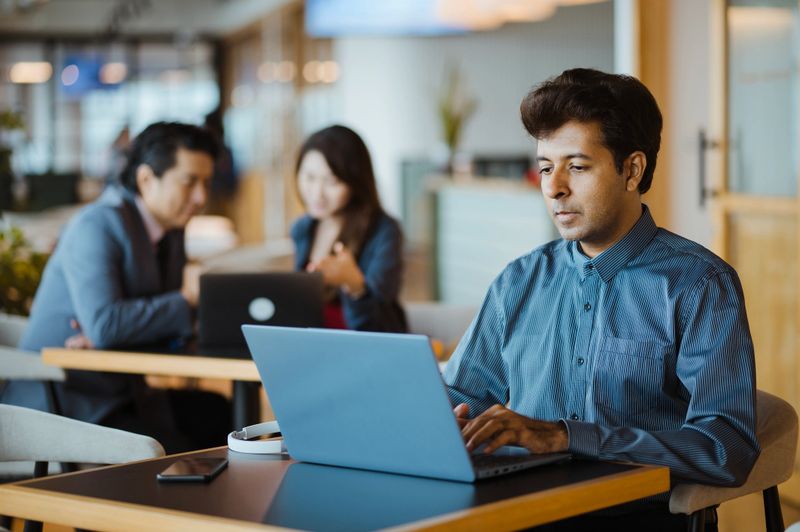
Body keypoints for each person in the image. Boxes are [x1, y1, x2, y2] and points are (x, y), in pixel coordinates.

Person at [443, 69, 759, 531]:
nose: (553, 188)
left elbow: (726, 449)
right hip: (515, 512)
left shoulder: (699, 284)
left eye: (577, 166)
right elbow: (462, 396)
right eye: (547, 167)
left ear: (632, 169)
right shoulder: (519, 280)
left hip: (633, 520)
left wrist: (565, 438)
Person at [0, 122, 231, 454]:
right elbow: (107, 324)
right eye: (189, 181)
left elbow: (121, 326)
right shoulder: (96, 225)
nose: (201, 197)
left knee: (217, 414)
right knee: (182, 450)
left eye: (206, 183)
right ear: (146, 179)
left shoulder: (171, 232)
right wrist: (187, 300)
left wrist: (124, 327)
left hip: (123, 393)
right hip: (64, 405)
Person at [291, 125, 407, 332]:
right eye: (309, 177)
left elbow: (378, 327)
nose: (317, 193)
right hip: (315, 347)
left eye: (332, 181)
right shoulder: (303, 228)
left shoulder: (384, 232)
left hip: (367, 350)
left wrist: (356, 287)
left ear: (355, 181)